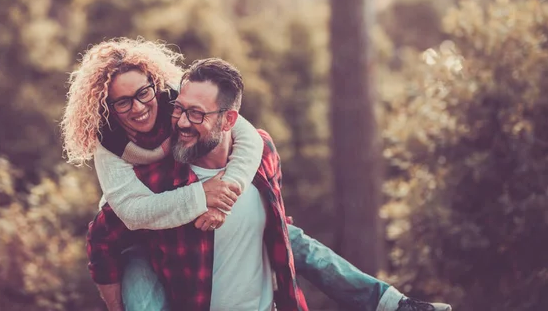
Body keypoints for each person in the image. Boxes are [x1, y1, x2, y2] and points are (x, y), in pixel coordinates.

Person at [61, 38, 452, 311]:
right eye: (122, 102)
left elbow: (249, 137)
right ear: (107, 107)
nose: (137, 107)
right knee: (144, 295)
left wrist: (229, 192)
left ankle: (391, 303)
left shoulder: (176, 98)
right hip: (137, 228)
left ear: (156, 85)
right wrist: (204, 197)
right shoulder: (108, 143)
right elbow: (128, 214)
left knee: (289, 236)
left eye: (142, 93)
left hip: (212, 200)